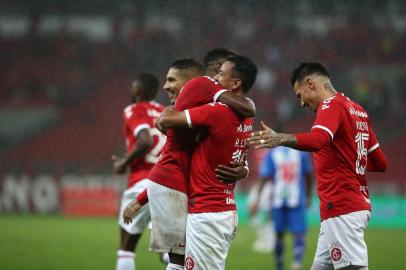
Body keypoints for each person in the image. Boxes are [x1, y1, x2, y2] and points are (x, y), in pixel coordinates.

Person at [248, 62, 388, 270]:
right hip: (350, 204)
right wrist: (349, 157)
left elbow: (318, 140)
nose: (302, 103)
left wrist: (281, 138)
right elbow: (380, 163)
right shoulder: (358, 111)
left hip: (341, 204)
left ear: (310, 84)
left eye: (299, 95)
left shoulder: (331, 105)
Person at [130, 54, 255, 270]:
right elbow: (235, 152)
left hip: (208, 213)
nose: (216, 78)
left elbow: (166, 121)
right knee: (178, 263)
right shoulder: (244, 116)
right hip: (219, 209)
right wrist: (244, 169)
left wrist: (169, 112)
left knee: (178, 262)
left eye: (221, 74)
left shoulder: (216, 111)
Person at [111, 74, 167, 270]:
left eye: (133, 87)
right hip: (168, 183)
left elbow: (145, 140)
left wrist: (124, 162)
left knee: (126, 247)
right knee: (169, 250)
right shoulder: (163, 111)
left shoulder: (133, 109)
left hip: (142, 182)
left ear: (138, 91)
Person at [250, 147, 314, 270]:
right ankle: (297, 263)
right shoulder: (301, 153)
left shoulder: (272, 153)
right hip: (296, 197)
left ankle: (280, 265)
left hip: (278, 199)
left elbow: (264, 177)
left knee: (279, 234)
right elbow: (309, 175)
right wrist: (308, 195)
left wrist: (257, 198)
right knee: (298, 233)